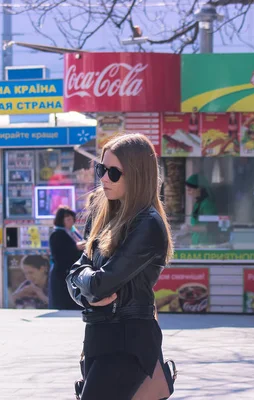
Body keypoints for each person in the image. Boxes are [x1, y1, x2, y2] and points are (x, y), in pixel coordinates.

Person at [66, 133, 174, 400]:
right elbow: (74, 275)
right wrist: (86, 290)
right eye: (102, 169)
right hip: (97, 336)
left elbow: (102, 283)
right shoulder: (102, 214)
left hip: (128, 343)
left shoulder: (148, 224)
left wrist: (85, 283)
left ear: (137, 175)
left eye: (114, 172)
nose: (103, 178)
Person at [49, 206, 85, 310]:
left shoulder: (73, 232)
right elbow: (59, 253)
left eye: (72, 218)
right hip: (62, 274)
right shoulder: (57, 234)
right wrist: (76, 247)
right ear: (61, 220)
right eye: (67, 219)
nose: (71, 221)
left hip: (71, 272)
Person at [183, 173, 218, 245]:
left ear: (199, 189)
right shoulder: (198, 203)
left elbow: (211, 226)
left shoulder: (208, 204)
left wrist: (189, 228)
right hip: (197, 244)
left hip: (206, 245)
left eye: (190, 190)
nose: (188, 193)